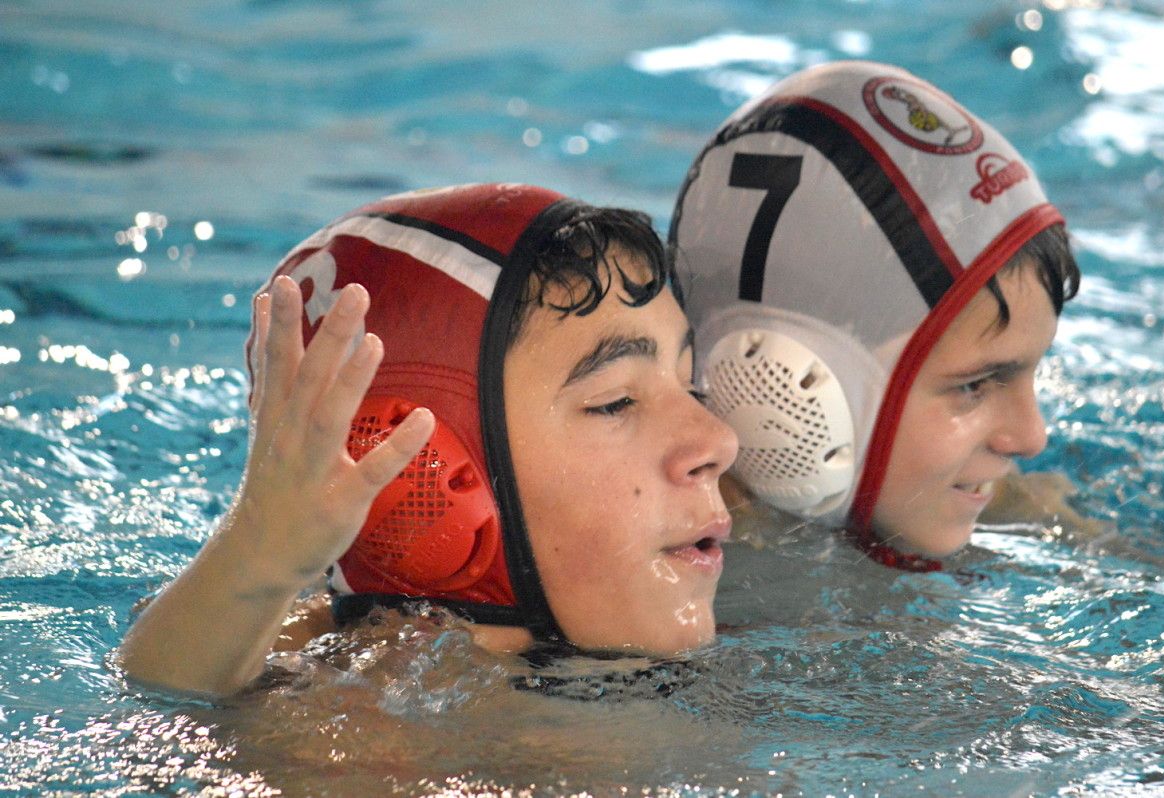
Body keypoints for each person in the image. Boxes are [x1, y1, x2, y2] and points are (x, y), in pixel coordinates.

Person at [117, 183, 738, 696]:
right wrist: (261, 554)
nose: (716, 441)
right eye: (616, 401)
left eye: (691, 386)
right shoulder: (358, 739)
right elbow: (162, 699)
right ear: (417, 476)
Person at [670, 60, 1082, 570]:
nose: (1031, 438)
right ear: (778, 377)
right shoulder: (651, 606)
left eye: (1031, 370)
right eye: (975, 385)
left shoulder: (1012, 504)